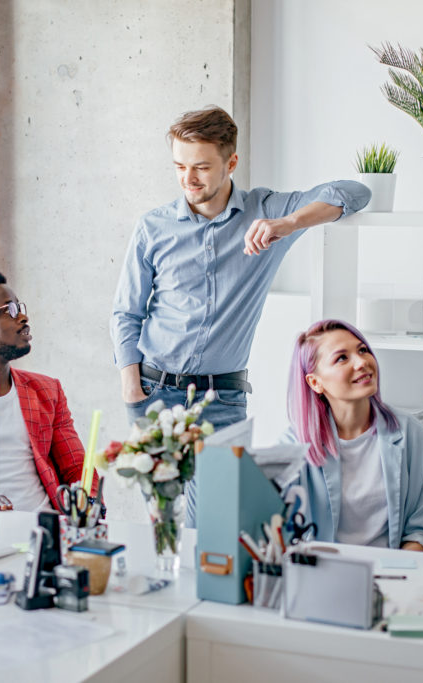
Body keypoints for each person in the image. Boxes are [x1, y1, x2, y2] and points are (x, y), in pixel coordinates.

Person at [111, 106, 370, 524]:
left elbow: (354, 193)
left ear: (231, 163)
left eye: (201, 167)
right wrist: (131, 388)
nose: (188, 179)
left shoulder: (265, 213)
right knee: (164, 524)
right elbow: (127, 312)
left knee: (216, 525)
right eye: (179, 166)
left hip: (222, 400)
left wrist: (288, 223)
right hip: (153, 392)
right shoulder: (153, 227)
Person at [0, 269, 95, 512]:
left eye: (19, 307)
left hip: (46, 532)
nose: (22, 317)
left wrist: (90, 506)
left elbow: (75, 466)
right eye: (9, 311)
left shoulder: (47, 390)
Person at [283, 320, 423, 550]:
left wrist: (389, 576)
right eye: (342, 358)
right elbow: (280, 528)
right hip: (324, 573)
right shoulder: (292, 446)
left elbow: (422, 528)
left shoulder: (413, 435)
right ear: (315, 382)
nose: (362, 362)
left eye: (362, 350)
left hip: (393, 573)